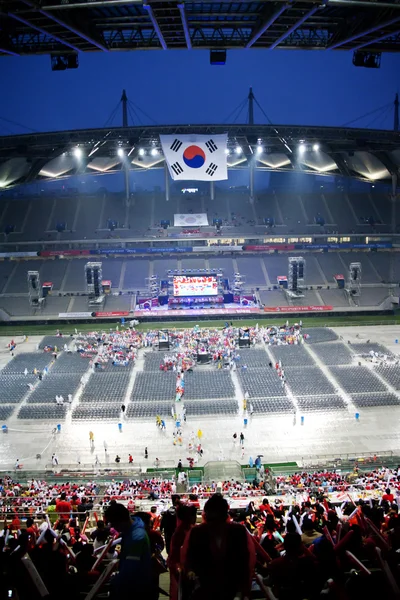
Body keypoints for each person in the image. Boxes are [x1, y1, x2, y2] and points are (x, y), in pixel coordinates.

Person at [182, 494, 255, 600]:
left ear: (225, 516)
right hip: (205, 587)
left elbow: (243, 563)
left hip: (232, 588)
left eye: (218, 518)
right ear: (206, 516)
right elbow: (190, 557)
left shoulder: (238, 532)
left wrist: (242, 592)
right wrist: (190, 571)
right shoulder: (198, 532)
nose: (215, 523)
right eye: (212, 519)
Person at [104, 503, 152, 600]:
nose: (113, 527)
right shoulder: (130, 531)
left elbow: (130, 571)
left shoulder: (136, 538)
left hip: (136, 589)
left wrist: (115, 581)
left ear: (121, 521)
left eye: (114, 523)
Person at [168, 504, 197, 600]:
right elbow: (176, 553)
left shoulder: (188, 530)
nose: (195, 517)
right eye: (193, 515)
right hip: (183, 570)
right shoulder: (181, 532)